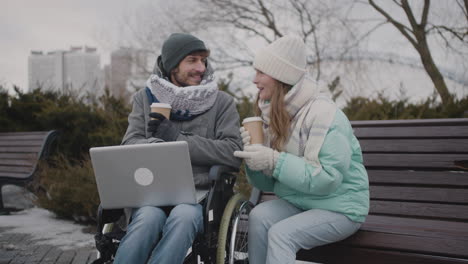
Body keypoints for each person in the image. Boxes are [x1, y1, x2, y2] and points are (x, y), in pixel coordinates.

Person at [233, 35, 369, 264]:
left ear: (280, 77)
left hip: (341, 208)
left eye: (260, 72)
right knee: (259, 216)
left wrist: (274, 161)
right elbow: (268, 184)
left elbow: (327, 178)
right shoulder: (274, 115)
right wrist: (255, 160)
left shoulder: (325, 115)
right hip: (301, 203)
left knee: (281, 235)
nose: (254, 80)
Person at [113, 33, 242, 264]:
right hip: (151, 193)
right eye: (192, 60)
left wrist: (178, 138)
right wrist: (157, 145)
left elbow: (232, 152)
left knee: (184, 216)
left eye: (203, 60)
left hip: (198, 195)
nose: (201, 67)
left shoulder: (222, 102)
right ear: (173, 65)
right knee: (148, 218)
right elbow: (129, 144)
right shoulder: (145, 98)